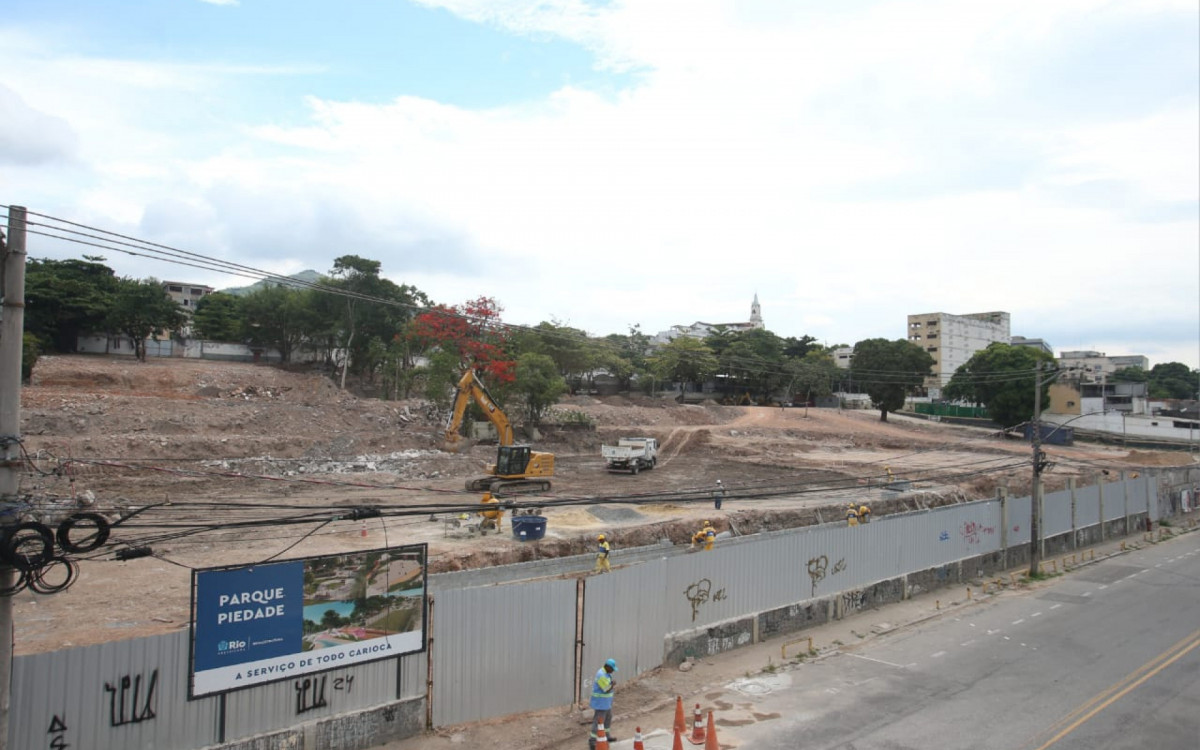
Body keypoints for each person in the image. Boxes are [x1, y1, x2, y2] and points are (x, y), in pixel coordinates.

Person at [589, 658, 618, 748]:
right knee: (598, 721)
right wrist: (612, 684)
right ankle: (592, 740)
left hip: (606, 703)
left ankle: (606, 736)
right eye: (612, 669)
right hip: (601, 703)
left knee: (608, 717)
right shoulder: (601, 674)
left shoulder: (606, 673)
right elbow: (605, 689)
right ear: (608, 667)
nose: (613, 671)